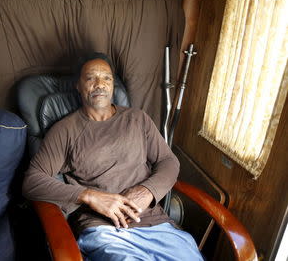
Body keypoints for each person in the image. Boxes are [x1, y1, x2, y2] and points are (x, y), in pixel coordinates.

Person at [22, 52, 203, 260]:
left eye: (107, 78)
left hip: (156, 225)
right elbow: (32, 181)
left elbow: (168, 161)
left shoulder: (138, 119)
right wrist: (89, 196)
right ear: (78, 86)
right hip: (104, 231)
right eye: (91, 78)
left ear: (113, 85)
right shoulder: (65, 130)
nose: (100, 84)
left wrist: (147, 191)